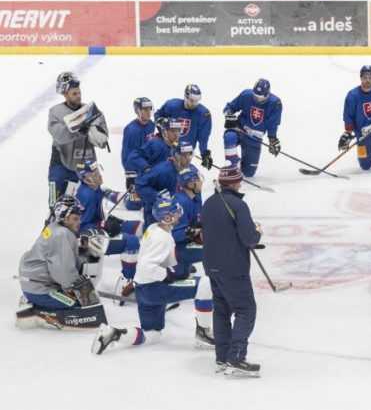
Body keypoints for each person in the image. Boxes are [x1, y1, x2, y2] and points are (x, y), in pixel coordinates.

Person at [91, 196, 216, 355]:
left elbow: (148, 260)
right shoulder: (162, 237)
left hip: (144, 290)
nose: (179, 214)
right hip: (155, 288)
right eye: (175, 212)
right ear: (167, 217)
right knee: (205, 284)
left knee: (153, 335)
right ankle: (203, 333)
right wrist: (168, 274)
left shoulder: (154, 228)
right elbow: (147, 266)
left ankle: (114, 333)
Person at [200, 166, 263, 376]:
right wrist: (257, 232)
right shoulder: (238, 205)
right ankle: (236, 357)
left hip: (212, 266)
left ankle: (222, 357)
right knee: (246, 310)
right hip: (233, 267)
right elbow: (249, 238)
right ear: (236, 182)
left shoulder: (208, 203)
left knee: (222, 311)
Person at [16, 195, 107, 329]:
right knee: (83, 303)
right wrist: (79, 291)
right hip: (41, 289)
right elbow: (63, 272)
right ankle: (40, 314)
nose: (79, 222)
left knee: (84, 297)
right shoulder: (62, 235)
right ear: (64, 217)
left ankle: (32, 301)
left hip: (33, 284)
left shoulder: (54, 228)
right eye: (75, 218)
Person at [74, 160, 142, 292]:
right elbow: (80, 228)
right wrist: (103, 226)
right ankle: (125, 283)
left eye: (97, 171)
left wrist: (133, 195)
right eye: (93, 174)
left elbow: (113, 195)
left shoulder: (95, 188)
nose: (98, 176)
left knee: (140, 227)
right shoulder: (85, 195)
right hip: (89, 240)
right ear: (84, 178)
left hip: (98, 227)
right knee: (132, 242)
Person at [48, 71, 108, 206]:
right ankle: (51, 223)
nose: (78, 96)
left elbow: (102, 141)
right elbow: (59, 135)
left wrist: (91, 129)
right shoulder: (55, 112)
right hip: (60, 166)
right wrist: (80, 127)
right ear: (65, 94)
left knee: (90, 201)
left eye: (79, 92)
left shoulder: (92, 112)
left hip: (86, 165)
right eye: (74, 94)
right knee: (54, 201)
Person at [223, 78, 283, 178]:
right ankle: (232, 167)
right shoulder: (246, 95)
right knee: (229, 137)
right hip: (240, 130)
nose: (257, 99)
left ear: (268, 94)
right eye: (255, 95)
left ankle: (242, 166)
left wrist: (273, 139)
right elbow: (229, 107)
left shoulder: (275, 104)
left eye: (261, 97)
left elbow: (273, 124)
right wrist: (229, 115)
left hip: (255, 139)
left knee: (248, 173)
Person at [135, 143, 194, 229]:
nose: (188, 159)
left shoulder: (189, 170)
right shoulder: (162, 170)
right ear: (176, 156)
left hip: (174, 214)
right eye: (184, 156)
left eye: (190, 155)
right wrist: (157, 196)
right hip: (156, 214)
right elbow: (140, 185)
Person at [155, 84, 213, 170]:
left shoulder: (204, 114)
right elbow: (158, 116)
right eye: (192, 100)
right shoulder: (172, 105)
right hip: (166, 148)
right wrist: (161, 124)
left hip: (184, 152)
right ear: (185, 96)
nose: (194, 103)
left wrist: (204, 154)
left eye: (197, 101)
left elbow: (203, 137)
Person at [124, 116, 181, 182]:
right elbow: (133, 157)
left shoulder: (176, 147)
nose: (176, 134)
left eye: (178, 130)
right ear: (164, 131)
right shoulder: (156, 144)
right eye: (173, 131)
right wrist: (146, 168)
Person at [121, 97, 155, 196]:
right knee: (135, 203)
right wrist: (132, 176)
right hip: (136, 172)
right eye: (145, 109)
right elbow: (128, 156)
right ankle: (112, 194)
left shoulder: (152, 126)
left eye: (149, 109)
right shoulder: (131, 130)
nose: (148, 112)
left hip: (149, 171)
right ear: (137, 111)